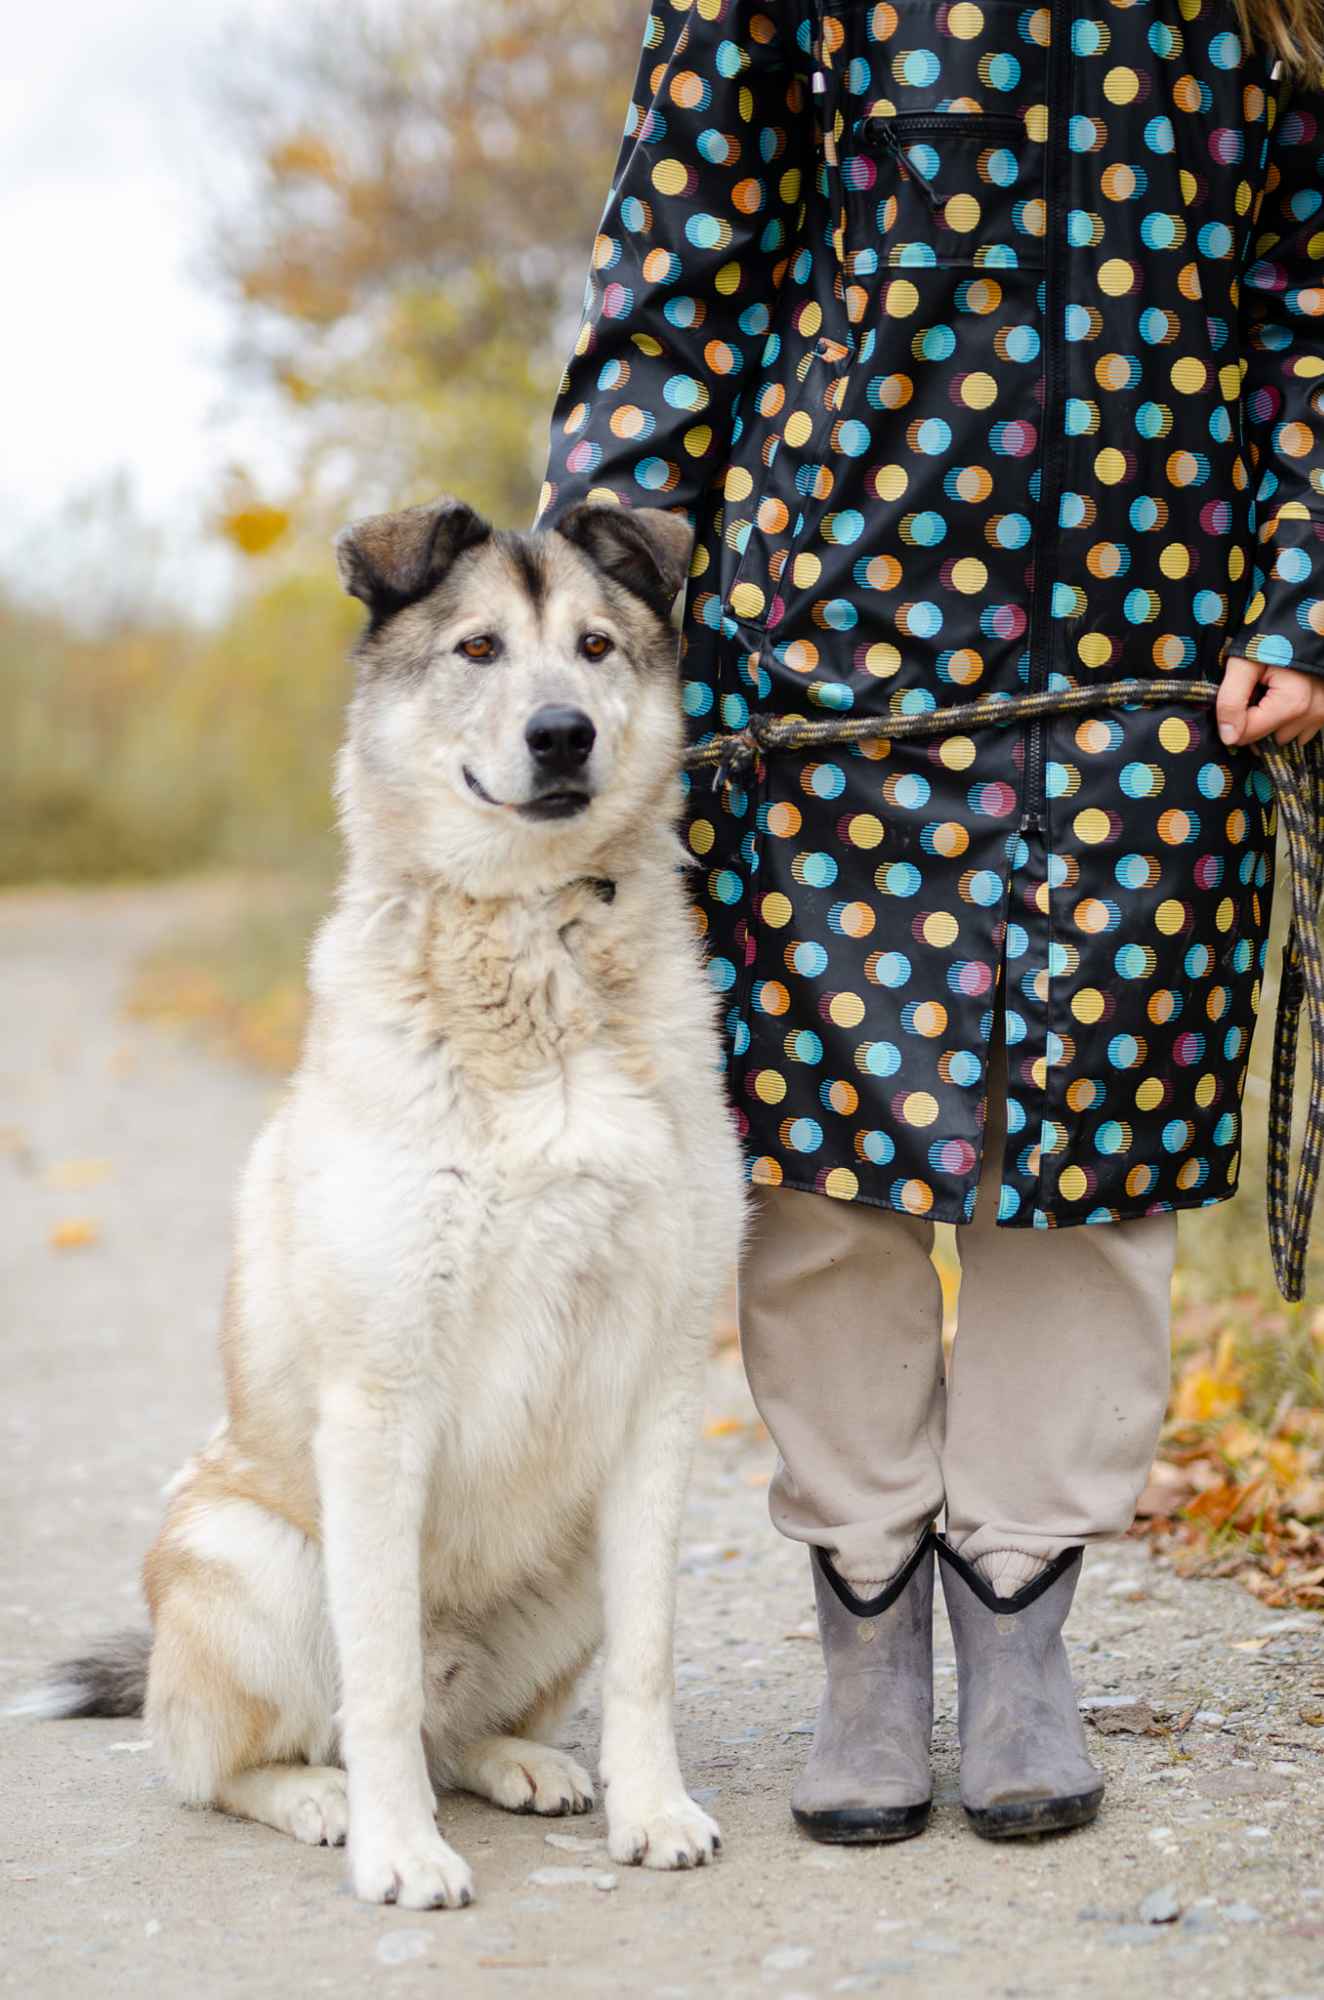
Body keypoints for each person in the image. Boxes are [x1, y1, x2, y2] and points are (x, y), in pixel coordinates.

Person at [536, 0, 1324, 1843]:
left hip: (1162, 676)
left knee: (1100, 1165)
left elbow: (1312, 312)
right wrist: (601, 624)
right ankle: (870, 1625)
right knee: (829, 1173)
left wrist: (1301, 595)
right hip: (823, 662)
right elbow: (675, 288)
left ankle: (1025, 1619)